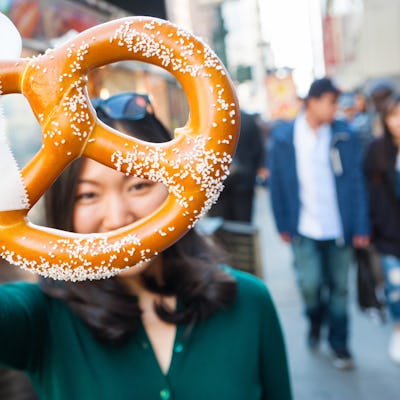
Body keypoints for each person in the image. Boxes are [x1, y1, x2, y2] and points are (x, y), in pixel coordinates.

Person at [0, 92, 292, 399]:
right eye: (88, 195)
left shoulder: (249, 303)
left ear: (175, 188)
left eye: (139, 185)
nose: (117, 219)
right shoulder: (38, 316)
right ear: (63, 209)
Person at [268, 77, 370, 370]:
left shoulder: (344, 135)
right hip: (304, 227)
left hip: (340, 227)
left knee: (340, 288)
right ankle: (315, 321)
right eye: (331, 102)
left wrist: (361, 226)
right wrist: (282, 224)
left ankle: (340, 345)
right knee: (310, 285)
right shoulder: (285, 137)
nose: (336, 108)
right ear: (312, 102)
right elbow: (277, 185)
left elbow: (356, 183)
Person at [364, 94, 400, 365]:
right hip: (389, 235)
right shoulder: (377, 151)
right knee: (395, 287)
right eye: (392, 116)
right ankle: (398, 329)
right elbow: (370, 193)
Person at [208, 110, 267, 222]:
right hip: (244, 182)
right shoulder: (248, 120)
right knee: (242, 224)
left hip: (218, 184)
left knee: (220, 226)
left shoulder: (209, 119)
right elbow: (258, 150)